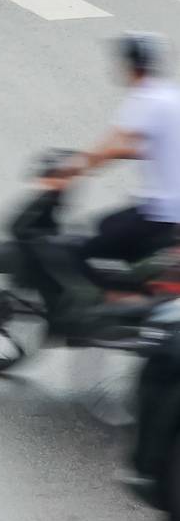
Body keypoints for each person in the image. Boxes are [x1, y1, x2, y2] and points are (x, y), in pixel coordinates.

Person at [38, 34, 180, 322]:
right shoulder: (169, 95)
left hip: (161, 211)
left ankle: (120, 304)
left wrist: (71, 170)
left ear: (130, 65)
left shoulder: (145, 99)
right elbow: (143, 146)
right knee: (109, 228)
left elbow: (114, 145)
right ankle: (135, 288)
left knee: (80, 251)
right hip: (167, 209)